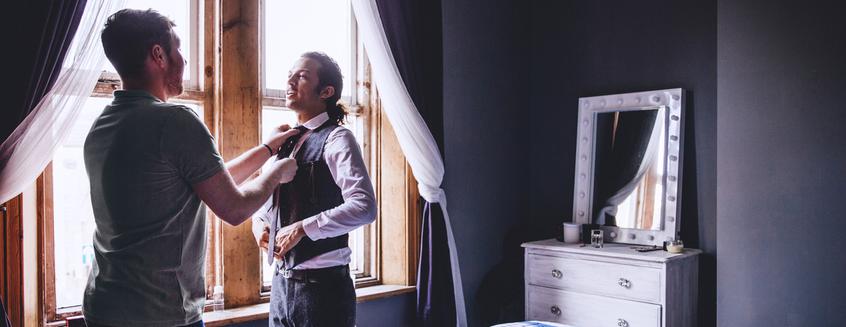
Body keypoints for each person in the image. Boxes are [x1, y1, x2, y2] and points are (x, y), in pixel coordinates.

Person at [82, 9, 300, 327]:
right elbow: (234, 208)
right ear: (158, 55)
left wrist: (267, 151)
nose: (184, 60)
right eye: (178, 49)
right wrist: (276, 172)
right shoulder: (175, 120)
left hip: (105, 305)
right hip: (158, 314)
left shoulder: (104, 124)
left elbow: (205, 181)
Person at [252, 52, 376, 327]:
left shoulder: (337, 138)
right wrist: (260, 226)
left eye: (302, 75)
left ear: (326, 91)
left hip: (324, 292)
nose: (290, 80)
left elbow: (364, 207)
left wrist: (302, 228)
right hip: (281, 289)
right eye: (290, 74)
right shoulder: (283, 142)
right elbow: (265, 204)